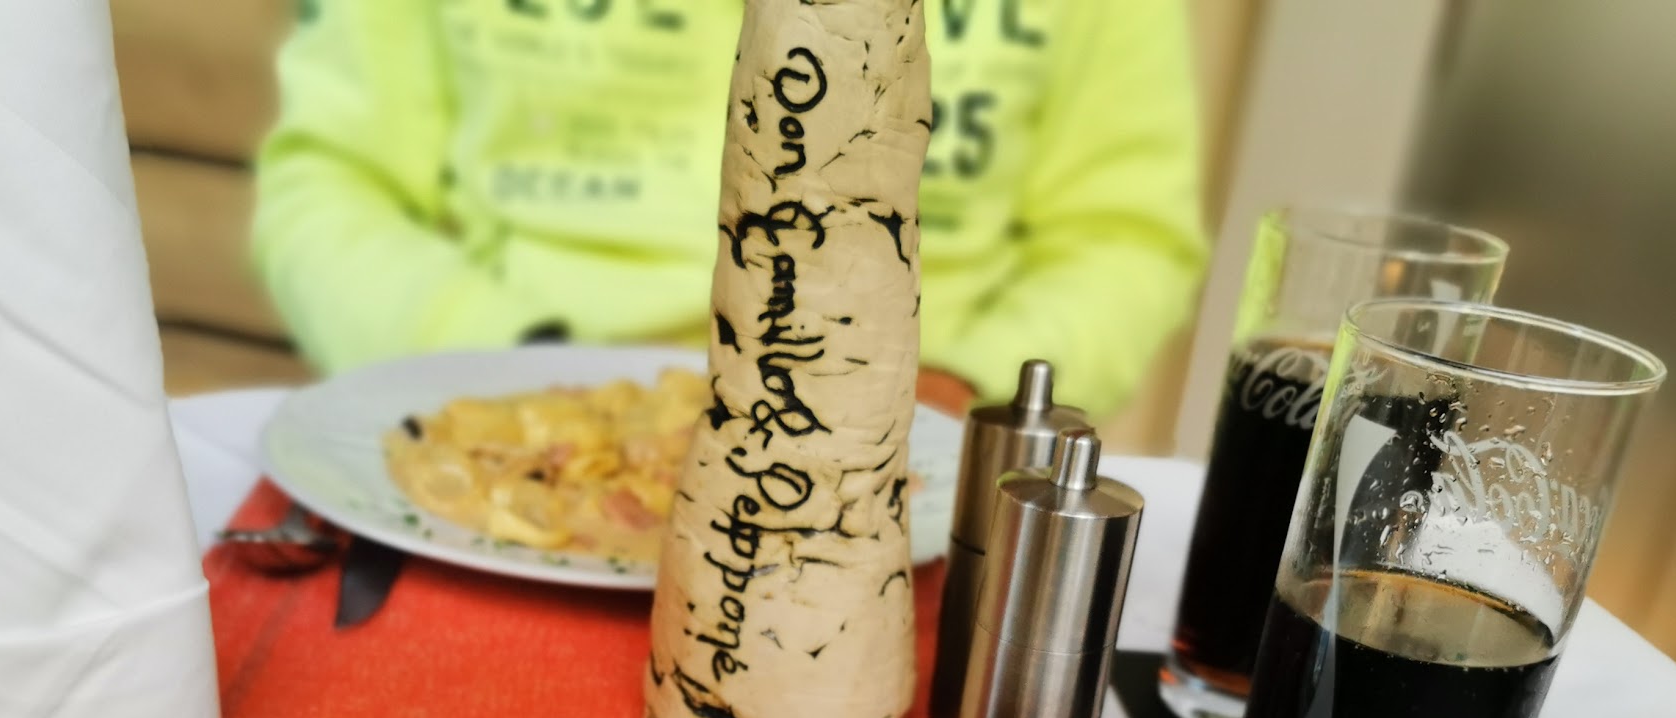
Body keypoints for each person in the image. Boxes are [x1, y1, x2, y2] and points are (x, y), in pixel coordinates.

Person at [252, 0, 1205, 419]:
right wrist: (503, 363)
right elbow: (326, 186)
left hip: (903, 454)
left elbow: (1122, 239)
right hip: (524, 400)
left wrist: (966, 392)